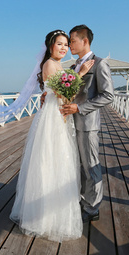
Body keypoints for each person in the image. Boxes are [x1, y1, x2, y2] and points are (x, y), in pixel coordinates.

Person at [10, 30, 93, 242]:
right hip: (51, 119)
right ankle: (42, 215)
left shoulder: (59, 65)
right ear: (50, 47)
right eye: (60, 44)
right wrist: (81, 73)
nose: (64, 48)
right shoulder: (49, 64)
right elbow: (61, 91)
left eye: (67, 44)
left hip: (57, 115)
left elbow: (61, 91)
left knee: (59, 161)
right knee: (50, 160)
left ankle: (55, 212)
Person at [61, 25, 114, 222]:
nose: (69, 45)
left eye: (72, 41)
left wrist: (80, 108)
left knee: (91, 165)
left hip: (87, 123)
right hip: (71, 123)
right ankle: (83, 200)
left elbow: (108, 95)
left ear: (85, 41)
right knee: (79, 165)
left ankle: (93, 209)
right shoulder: (75, 66)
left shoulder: (100, 64)